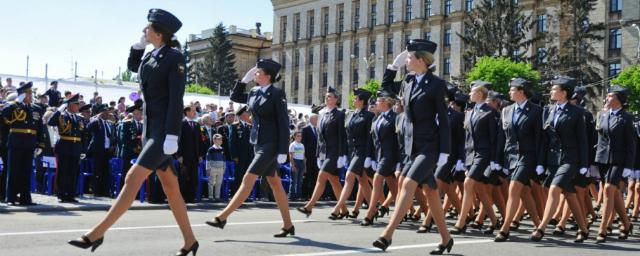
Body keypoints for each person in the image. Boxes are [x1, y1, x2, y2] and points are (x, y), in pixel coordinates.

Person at [68, 9, 198, 255]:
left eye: (147, 29)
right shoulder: (151, 56)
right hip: (150, 130)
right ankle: (190, 240)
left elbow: (175, 100)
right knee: (171, 188)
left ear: (159, 33)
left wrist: (172, 134)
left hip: (163, 133)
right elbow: (131, 66)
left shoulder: (174, 58)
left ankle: (96, 234)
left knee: (132, 179)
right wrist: (137, 48)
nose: (144, 31)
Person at [376, 39, 453, 255]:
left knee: (407, 183)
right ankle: (446, 239)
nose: (406, 60)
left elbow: (444, 119)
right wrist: (392, 67)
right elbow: (385, 89)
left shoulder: (437, 85)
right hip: (412, 146)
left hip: (429, 146)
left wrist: (445, 151)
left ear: (421, 60)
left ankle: (387, 234)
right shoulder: (408, 81)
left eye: (409, 57)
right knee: (430, 192)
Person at [206, 58, 294, 237]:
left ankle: (222, 217)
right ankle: (288, 225)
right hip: (258, 142)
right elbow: (235, 97)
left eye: (259, 72)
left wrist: (283, 150)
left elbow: (284, 124)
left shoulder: (277, 94)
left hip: (271, 143)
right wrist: (243, 81)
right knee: (275, 183)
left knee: (248, 178)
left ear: (268, 76)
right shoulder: (254, 92)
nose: (255, 73)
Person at [530, 76, 590, 243]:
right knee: (569, 194)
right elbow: (544, 139)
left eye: (555, 89)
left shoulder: (577, 113)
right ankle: (583, 229)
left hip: (570, 158)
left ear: (564, 93)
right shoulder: (547, 110)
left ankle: (541, 228)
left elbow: (582, 140)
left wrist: (584, 164)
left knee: (555, 188)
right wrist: (541, 162)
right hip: (553, 159)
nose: (551, 91)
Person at [494, 78, 543, 242]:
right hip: (512, 157)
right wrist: (499, 159)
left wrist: (540, 162)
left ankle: (505, 228)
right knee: (524, 193)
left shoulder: (536, 111)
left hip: (528, 156)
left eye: (512, 89)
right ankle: (539, 225)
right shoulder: (506, 110)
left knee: (514, 188)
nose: (509, 92)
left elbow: (539, 139)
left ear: (522, 91)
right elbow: (503, 138)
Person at [450, 82, 499, 234]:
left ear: (479, 94)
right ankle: (495, 221)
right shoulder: (469, 112)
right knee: (480, 189)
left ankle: (461, 221)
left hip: (483, 154)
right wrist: (463, 158)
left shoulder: (490, 112)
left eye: (472, 92)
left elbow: (494, 138)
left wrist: (494, 160)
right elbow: (466, 139)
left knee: (468, 184)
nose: (469, 95)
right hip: (470, 155)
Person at [593, 85, 636, 243]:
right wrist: (594, 161)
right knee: (615, 193)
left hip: (619, 160)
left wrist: (628, 167)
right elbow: (600, 140)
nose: (607, 98)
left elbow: (631, 144)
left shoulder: (626, 118)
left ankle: (602, 229)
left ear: (618, 100)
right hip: (604, 159)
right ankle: (626, 223)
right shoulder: (603, 116)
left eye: (610, 96)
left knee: (609, 189)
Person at [297, 87, 348, 217]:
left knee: (321, 177)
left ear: (336, 99)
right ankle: (344, 210)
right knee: (334, 181)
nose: (327, 98)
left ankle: (309, 206)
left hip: (335, 152)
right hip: (325, 153)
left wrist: (342, 155)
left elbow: (343, 136)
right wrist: (319, 154)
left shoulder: (340, 114)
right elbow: (320, 137)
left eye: (330, 96)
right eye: (326, 96)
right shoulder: (323, 114)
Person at [329, 88, 374, 219]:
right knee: (363, 181)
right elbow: (346, 136)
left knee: (349, 176)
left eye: (356, 98)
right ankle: (373, 209)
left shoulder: (369, 116)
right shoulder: (350, 114)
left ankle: (338, 208)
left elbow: (369, 138)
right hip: (352, 152)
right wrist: (343, 153)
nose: (354, 100)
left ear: (362, 101)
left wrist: (369, 156)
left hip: (362, 152)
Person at [2, 82, 45, 205]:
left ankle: (25, 198)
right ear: (22, 95)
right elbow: (4, 114)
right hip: (16, 142)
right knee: (14, 171)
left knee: (26, 172)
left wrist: (40, 144)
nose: (31, 95)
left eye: (31, 93)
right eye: (28, 93)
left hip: (30, 143)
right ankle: (10, 198)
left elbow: (39, 128)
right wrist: (17, 102)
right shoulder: (14, 106)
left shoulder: (36, 108)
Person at [361, 90, 400, 225]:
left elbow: (399, 141)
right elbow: (374, 140)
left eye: (378, 100)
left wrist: (400, 161)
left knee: (377, 178)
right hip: (380, 155)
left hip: (391, 156)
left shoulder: (396, 118)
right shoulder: (377, 118)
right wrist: (371, 157)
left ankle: (371, 212)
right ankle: (404, 212)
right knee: (392, 185)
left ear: (385, 102)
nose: (376, 102)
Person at [48, 93, 84, 203]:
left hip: (76, 147)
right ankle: (61, 194)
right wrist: (59, 110)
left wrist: (83, 150)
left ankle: (70, 194)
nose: (78, 106)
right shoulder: (62, 115)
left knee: (73, 172)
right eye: (76, 104)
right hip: (64, 145)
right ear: (69, 105)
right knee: (63, 171)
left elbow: (83, 134)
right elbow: (50, 122)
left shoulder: (78, 118)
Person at [86, 104, 114, 197]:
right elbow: (88, 128)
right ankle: (96, 191)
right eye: (105, 112)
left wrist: (112, 145)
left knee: (106, 172)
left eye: (107, 112)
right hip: (98, 150)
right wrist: (97, 117)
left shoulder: (109, 123)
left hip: (107, 151)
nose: (107, 114)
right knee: (97, 171)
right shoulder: (96, 121)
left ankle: (105, 191)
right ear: (100, 113)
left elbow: (111, 136)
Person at [177, 106, 201, 203]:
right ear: (187, 112)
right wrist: (179, 155)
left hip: (194, 156)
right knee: (183, 177)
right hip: (185, 156)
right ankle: (182, 197)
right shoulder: (181, 123)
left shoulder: (196, 124)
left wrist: (200, 155)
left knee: (193, 177)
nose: (194, 112)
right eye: (192, 111)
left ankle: (191, 197)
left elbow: (199, 141)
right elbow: (179, 141)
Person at [229, 106, 254, 196]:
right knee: (239, 175)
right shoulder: (235, 126)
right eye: (247, 113)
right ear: (243, 114)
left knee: (247, 176)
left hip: (249, 155)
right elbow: (232, 142)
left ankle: (245, 195)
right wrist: (234, 156)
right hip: (239, 156)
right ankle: (236, 194)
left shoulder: (250, 126)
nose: (249, 115)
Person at [300, 113, 319, 200]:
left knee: (315, 175)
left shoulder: (317, 129)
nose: (317, 121)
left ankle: (312, 195)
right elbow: (303, 143)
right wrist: (304, 156)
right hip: (308, 156)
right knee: (307, 176)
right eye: (316, 119)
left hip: (316, 156)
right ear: (311, 119)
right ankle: (304, 195)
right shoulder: (305, 129)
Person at [206, 134, 226, 201]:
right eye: (219, 139)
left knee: (219, 183)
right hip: (213, 168)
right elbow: (208, 159)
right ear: (214, 140)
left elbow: (224, 159)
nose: (220, 141)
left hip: (220, 168)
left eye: (221, 139)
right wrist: (208, 168)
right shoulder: (211, 149)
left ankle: (217, 196)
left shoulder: (222, 149)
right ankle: (210, 196)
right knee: (211, 183)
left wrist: (224, 168)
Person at [288, 131, 305, 201]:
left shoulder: (302, 145)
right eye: (298, 136)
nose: (299, 137)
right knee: (294, 181)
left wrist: (305, 166)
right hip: (295, 161)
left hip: (301, 162)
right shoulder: (292, 145)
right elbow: (291, 156)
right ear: (294, 137)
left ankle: (298, 196)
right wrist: (293, 165)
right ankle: (291, 196)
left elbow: (303, 156)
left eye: (300, 136)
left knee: (300, 181)